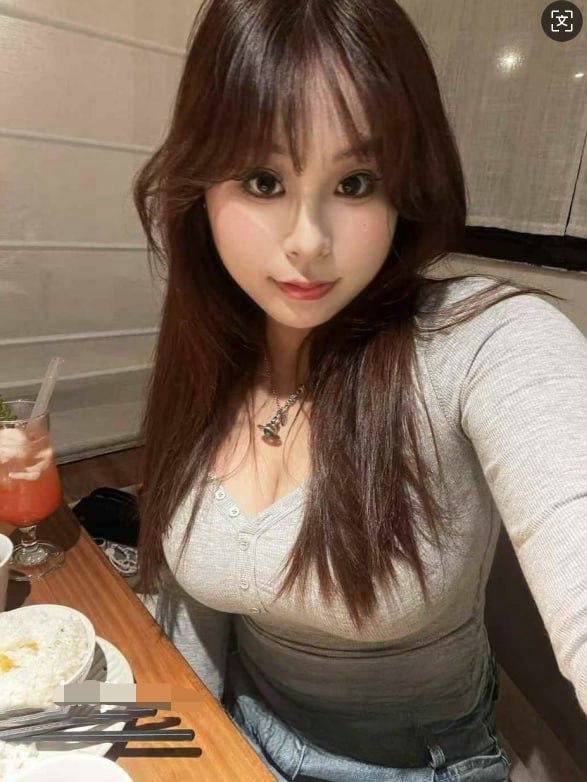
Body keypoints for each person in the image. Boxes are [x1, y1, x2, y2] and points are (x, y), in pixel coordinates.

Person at [132, 1, 587, 780]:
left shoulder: (482, 341)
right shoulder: (214, 347)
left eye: (355, 181)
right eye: (263, 179)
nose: (307, 241)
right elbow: (193, 610)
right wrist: (157, 749)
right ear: (198, 183)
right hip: (231, 733)